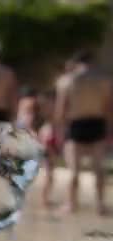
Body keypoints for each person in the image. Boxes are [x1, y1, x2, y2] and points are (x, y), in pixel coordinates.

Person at [55, 51, 113, 215]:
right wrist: (109, 129)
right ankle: (100, 205)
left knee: (74, 170)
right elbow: (109, 108)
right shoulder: (104, 80)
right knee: (99, 169)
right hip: (97, 123)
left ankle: (71, 205)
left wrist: (59, 132)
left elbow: (60, 111)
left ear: (76, 63)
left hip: (76, 125)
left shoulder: (66, 81)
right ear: (92, 61)